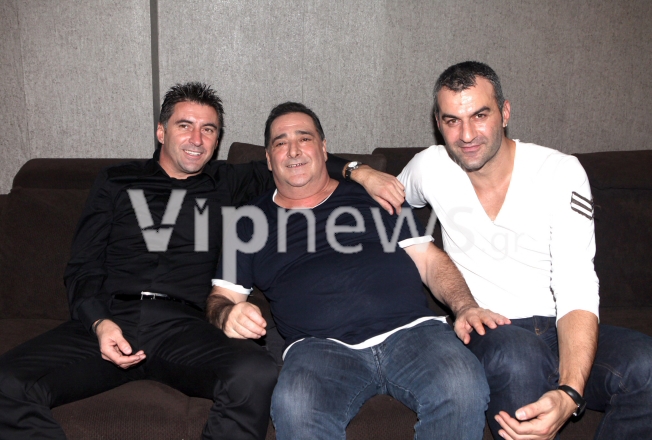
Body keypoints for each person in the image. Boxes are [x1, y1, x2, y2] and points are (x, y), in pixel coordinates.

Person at [0, 83, 403, 440]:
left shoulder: (228, 182)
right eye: (185, 125)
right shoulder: (116, 180)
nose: (197, 138)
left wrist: (360, 171)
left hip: (185, 328)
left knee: (256, 373)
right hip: (111, 317)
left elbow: (296, 160)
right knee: (6, 382)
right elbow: (83, 266)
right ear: (161, 131)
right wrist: (98, 322)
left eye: (208, 129)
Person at [209, 101, 510, 440]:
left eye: (304, 138)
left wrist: (465, 306)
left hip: (413, 334)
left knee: (462, 383)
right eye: (281, 142)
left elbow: (429, 259)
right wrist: (228, 315)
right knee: (296, 404)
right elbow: (221, 299)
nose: (293, 151)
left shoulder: (374, 195)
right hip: (318, 350)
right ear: (268, 158)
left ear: (324, 149)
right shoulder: (247, 222)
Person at [398, 61, 652, 440]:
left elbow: (576, 281)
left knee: (651, 368)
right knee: (519, 355)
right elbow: (382, 201)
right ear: (438, 123)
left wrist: (570, 391)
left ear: (505, 113)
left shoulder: (559, 172)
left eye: (480, 116)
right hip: (492, 332)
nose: (466, 135)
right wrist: (358, 169)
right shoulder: (429, 167)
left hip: (558, 326)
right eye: (452, 120)